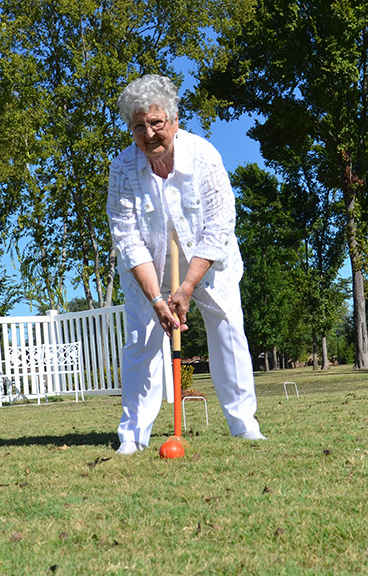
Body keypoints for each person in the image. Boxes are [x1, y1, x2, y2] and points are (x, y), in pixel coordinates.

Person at [107, 74, 264, 454]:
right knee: (141, 342)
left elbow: (220, 225)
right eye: (139, 126)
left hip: (207, 266)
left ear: (175, 121)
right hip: (149, 274)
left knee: (228, 328)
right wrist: (158, 301)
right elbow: (127, 239)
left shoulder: (204, 156)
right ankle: (133, 436)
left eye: (156, 123)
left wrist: (187, 288)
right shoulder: (123, 169)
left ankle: (244, 425)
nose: (149, 133)